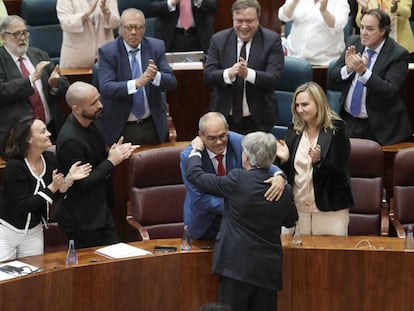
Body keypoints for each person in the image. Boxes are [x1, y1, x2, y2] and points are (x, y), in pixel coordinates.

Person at [186, 131, 298, 311]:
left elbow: (196, 177)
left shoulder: (237, 179)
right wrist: (280, 176)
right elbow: (289, 220)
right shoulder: (284, 190)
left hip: (235, 267)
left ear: (246, 157)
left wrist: (196, 151)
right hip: (267, 270)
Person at [54, 82, 137, 249]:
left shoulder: (92, 122)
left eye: (98, 99)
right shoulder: (70, 140)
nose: (100, 105)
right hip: (82, 219)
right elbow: (82, 184)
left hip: (100, 208)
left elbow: (96, 160)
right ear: (76, 109)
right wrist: (111, 161)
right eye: (93, 103)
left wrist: (114, 153)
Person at [180, 112, 286, 240]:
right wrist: (240, 206)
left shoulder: (240, 142)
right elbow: (199, 198)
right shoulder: (189, 157)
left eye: (222, 136)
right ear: (201, 135)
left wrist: (278, 174)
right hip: (205, 223)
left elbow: (261, 160)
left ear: (228, 129)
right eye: (212, 138)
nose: (219, 142)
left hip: (239, 224)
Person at [0, 116, 91, 262]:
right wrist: (53, 187)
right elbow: (24, 204)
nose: (49, 133)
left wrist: (68, 180)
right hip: (7, 231)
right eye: (43, 131)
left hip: (34, 231)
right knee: (5, 278)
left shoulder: (49, 159)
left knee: (33, 276)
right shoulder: (15, 166)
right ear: (29, 139)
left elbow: (54, 197)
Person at [277, 82, 353, 236]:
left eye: (305, 104)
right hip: (297, 208)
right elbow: (290, 173)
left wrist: (319, 161)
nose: (300, 110)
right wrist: (283, 160)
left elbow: (340, 174)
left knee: (329, 258)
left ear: (318, 103)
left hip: (329, 209)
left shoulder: (336, 129)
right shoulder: (294, 129)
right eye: (297, 105)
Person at [330, 8, 412, 145]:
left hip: (380, 126)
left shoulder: (398, 54)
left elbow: (389, 90)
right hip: (349, 120)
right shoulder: (353, 42)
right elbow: (332, 77)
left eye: (369, 29)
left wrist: (363, 72)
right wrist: (348, 68)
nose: (363, 33)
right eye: (361, 27)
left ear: (383, 31)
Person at [98, 8, 177, 146]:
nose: (133, 32)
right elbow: (106, 87)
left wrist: (155, 76)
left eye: (138, 27)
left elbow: (171, 82)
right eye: (129, 27)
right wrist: (137, 83)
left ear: (144, 28)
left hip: (151, 124)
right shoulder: (108, 52)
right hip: (122, 126)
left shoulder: (156, 47)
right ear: (121, 29)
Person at [203, 0, 284, 135]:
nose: (244, 26)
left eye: (249, 21)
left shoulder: (271, 40)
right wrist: (229, 73)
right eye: (239, 21)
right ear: (233, 19)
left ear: (258, 19)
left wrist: (248, 74)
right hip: (224, 118)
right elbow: (208, 76)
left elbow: (274, 78)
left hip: (259, 119)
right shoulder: (219, 39)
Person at [0, 15, 69, 155]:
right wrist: (31, 79)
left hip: (51, 130)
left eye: (25, 32)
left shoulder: (39, 54)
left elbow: (64, 85)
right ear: (3, 36)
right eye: (16, 34)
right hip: (18, 137)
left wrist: (55, 83)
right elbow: (2, 91)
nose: (22, 37)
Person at [278, 0, 350, 65]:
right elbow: (283, 16)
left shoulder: (340, 1)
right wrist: (294, 2)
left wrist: (324, 11)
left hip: (324, 62)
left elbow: (338, 26)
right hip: (294, 57)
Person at [56, 0, 120, 69]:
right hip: (76, 61)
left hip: (105, 58)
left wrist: (107, 13)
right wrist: (87, 13)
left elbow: (115, 24)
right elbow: (65, 24)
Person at [148, 0, 217, 53]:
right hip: (171, 36)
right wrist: (172, 2)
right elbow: (152, 8)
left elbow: (213, 7)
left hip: (199, 36)